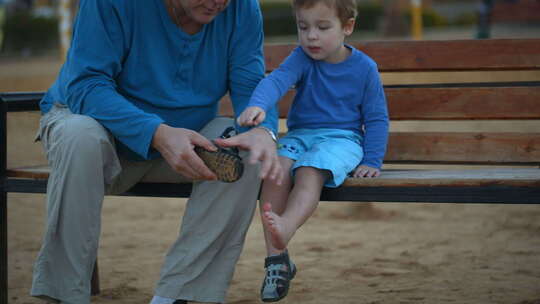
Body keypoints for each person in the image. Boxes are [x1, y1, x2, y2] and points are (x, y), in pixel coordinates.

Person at [30, 0, 283, 303]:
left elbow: (250, 84)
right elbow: (86, 85)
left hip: (185, 146)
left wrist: (262, 130)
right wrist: (157, 134)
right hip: (100, 136)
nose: (220, 2)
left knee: (246, 151)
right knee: (79, 135)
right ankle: (64, 294)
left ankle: (181, 295)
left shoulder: (241, 7)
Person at [237, 0, 389, 301]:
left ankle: (287, 226)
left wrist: (372, 159)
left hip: (341, 140)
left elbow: (376, 118)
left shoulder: (364, 68)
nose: (311, 37)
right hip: (301, 136)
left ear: (347, 27)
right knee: (274, 170)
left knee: (309, 170)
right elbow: (276, 81)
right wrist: (257, 104)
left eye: (322, 27)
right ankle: (277, 261)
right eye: (303, 27)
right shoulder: (302, 58)